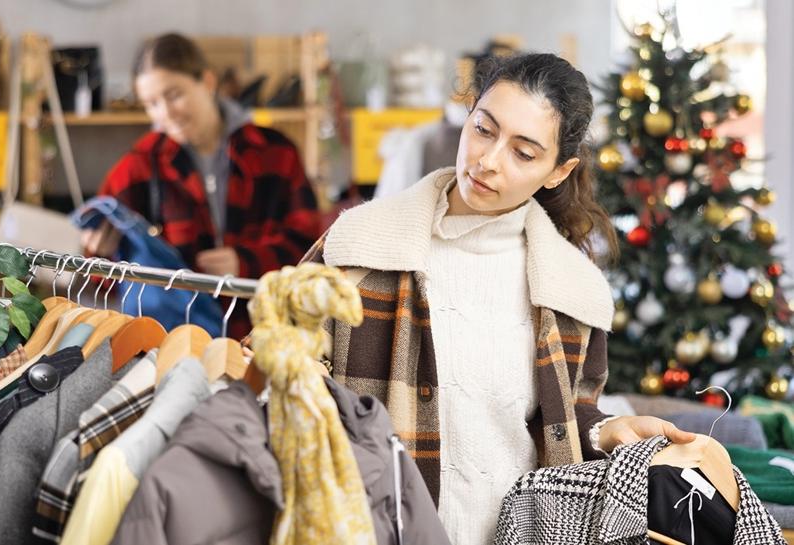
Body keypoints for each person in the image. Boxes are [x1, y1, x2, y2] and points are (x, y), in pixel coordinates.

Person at [304, 53, 696, 544]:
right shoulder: (361, 244)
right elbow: (281, 360)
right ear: (467, 117)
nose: (488, 161)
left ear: (558, 170)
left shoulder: (573, 290)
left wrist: (608, 431)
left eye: (524, 153)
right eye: (484, 129)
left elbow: (566, 416)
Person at [83, 33, 321, 337]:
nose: (165, 113)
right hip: (175, 347)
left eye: (173, 95)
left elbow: (312, 249)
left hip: (269, 340)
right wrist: (100, 252)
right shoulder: (138, 165)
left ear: (207, 82)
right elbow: (104, 279)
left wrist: (245, 262)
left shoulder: (276, 153)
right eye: (151, 103)